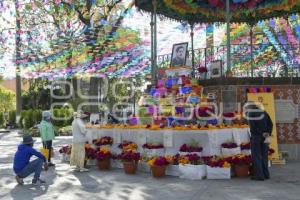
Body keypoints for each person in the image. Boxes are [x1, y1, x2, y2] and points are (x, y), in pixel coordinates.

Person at [247, 103, 273, 181]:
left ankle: (259, 175)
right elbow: (270, 124)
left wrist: (261, 133)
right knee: (264, 155)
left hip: (256, 137)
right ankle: (266, 174)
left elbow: (253, 127)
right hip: (266, 137)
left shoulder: (250, 113)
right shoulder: (264, 112)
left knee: (257, 156)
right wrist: (268, 132)